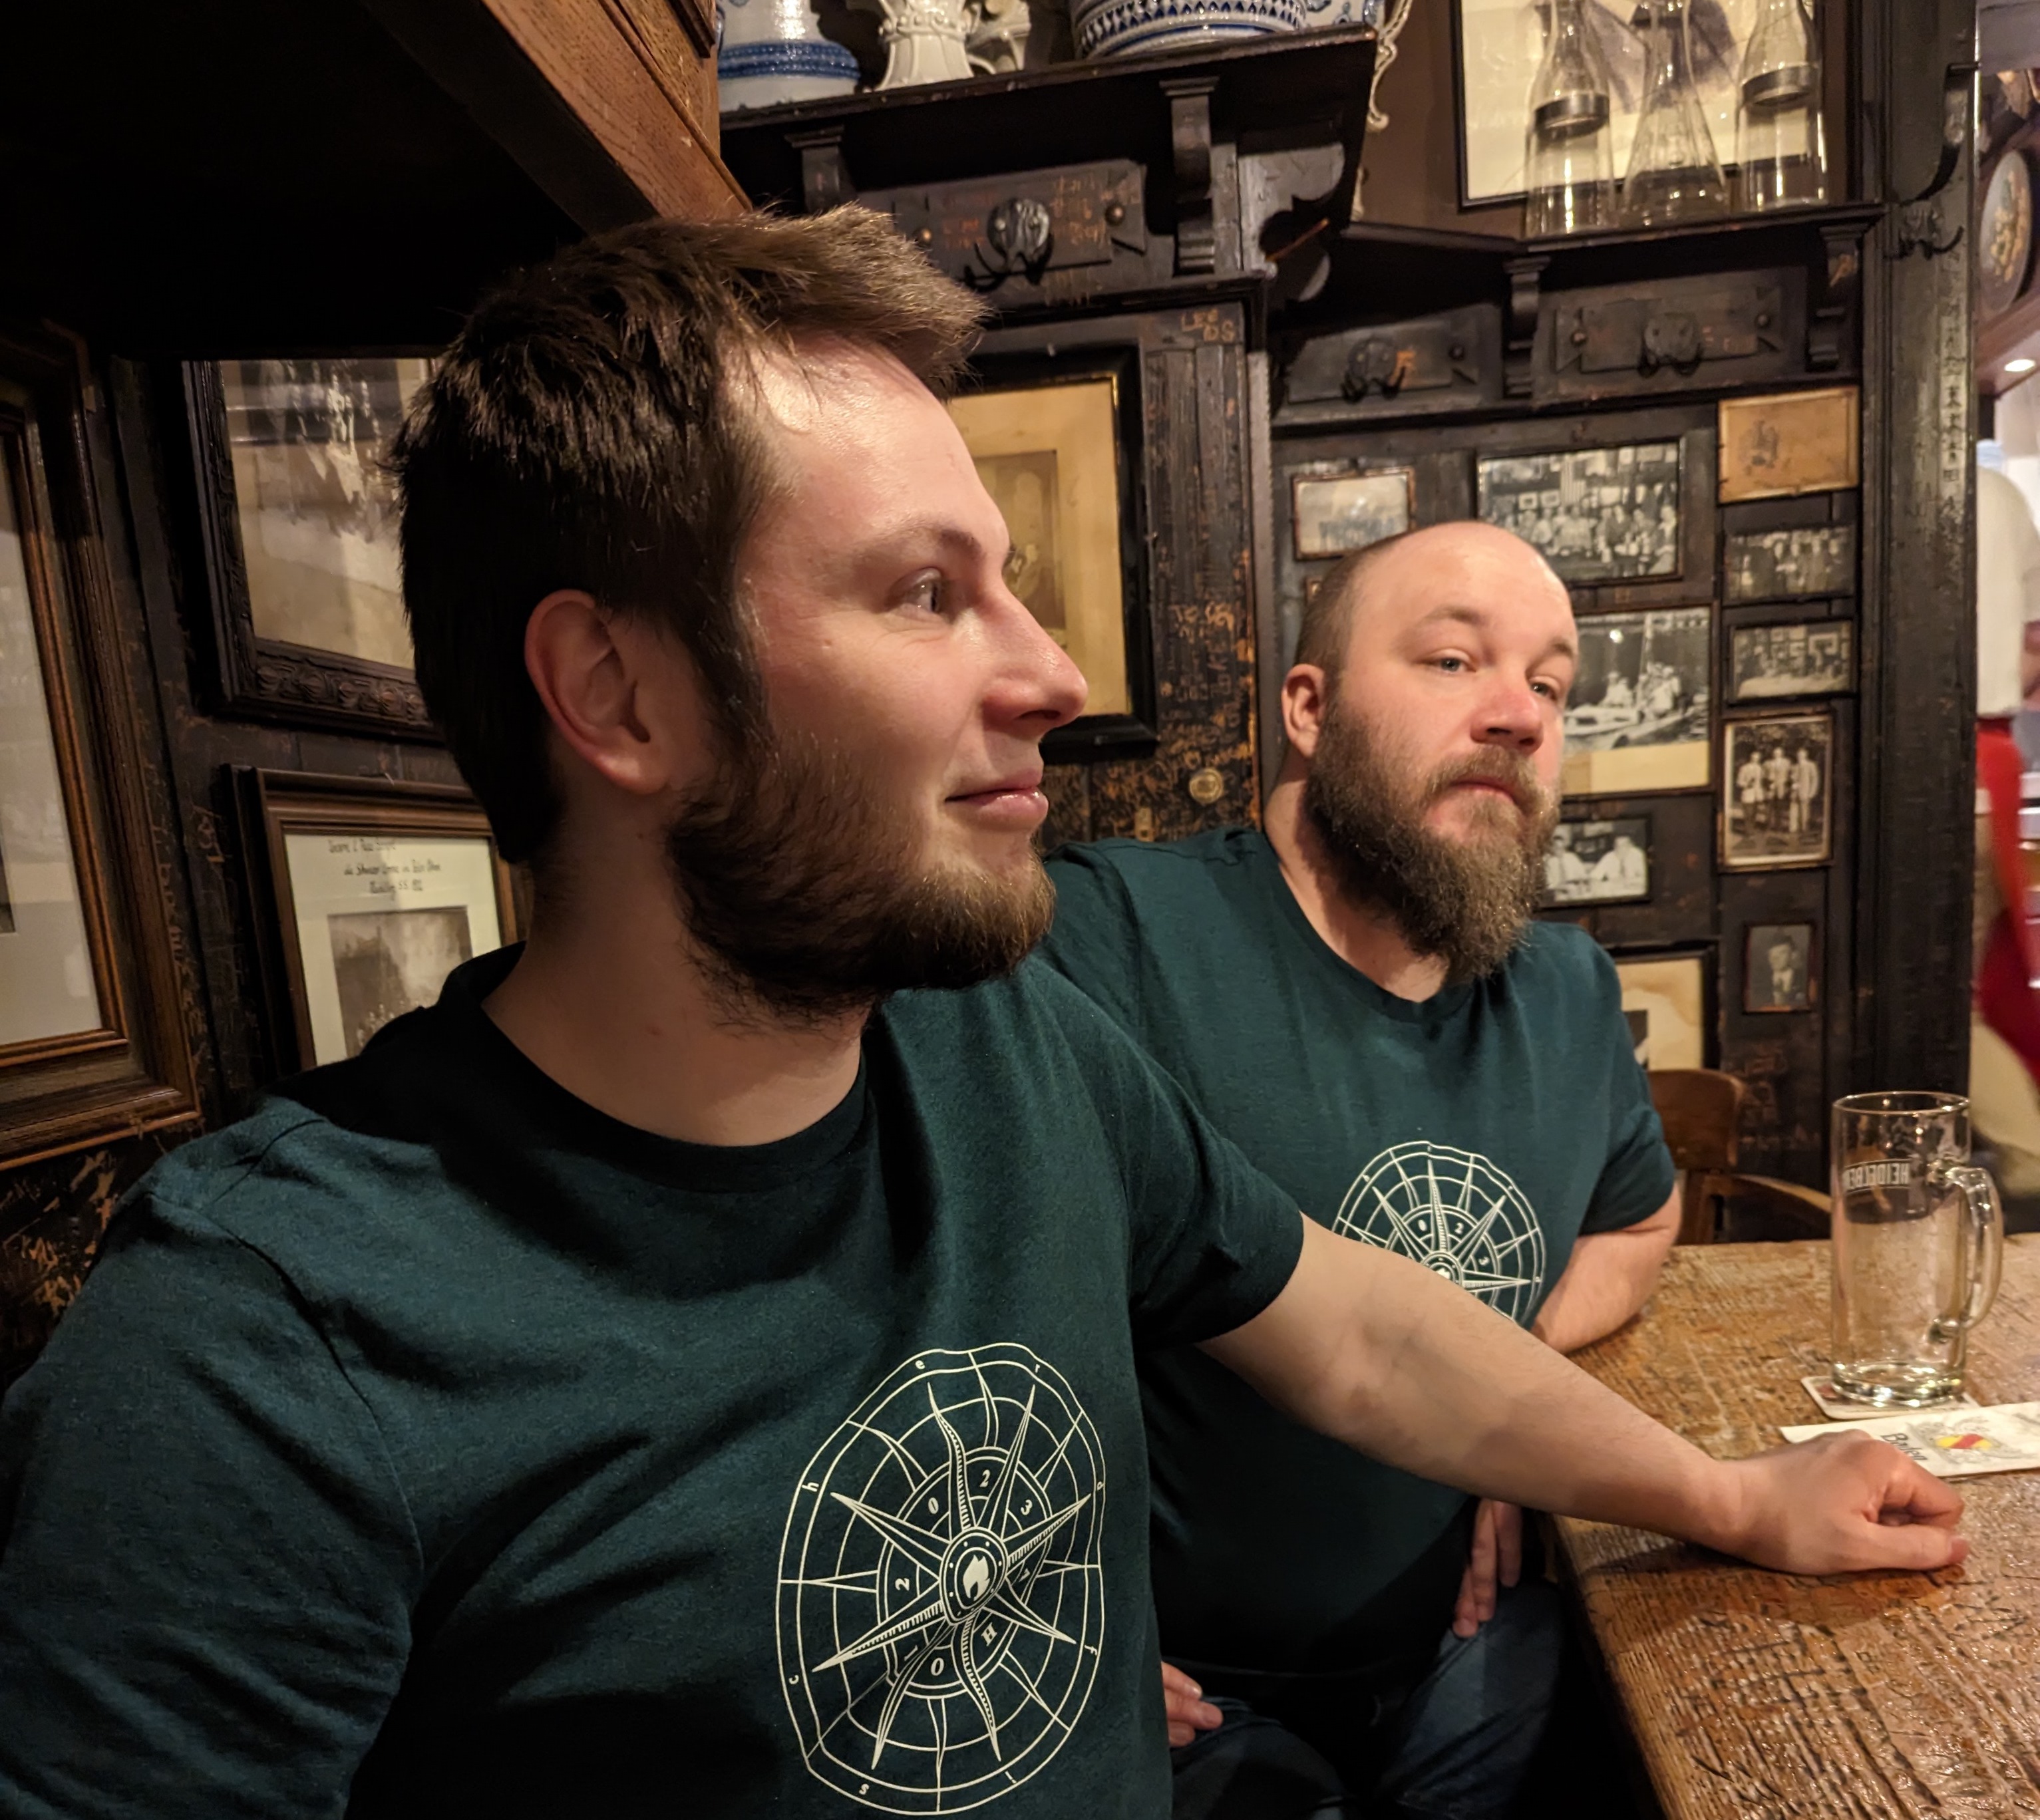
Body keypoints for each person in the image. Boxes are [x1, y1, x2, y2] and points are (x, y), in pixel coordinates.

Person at [0, 213, 1965, 1820]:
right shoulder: (249, 1354)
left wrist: (1730, 1497)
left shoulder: (1002, 1047)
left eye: (1005, 587)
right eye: (928, 597)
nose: (1050, 671)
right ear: (613, 696)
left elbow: (1361, 1333)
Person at [1035, 523, 1683, 1819]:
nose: (1517, 716)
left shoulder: (1566, 989)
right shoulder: (1108, 939)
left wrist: (1517, 1394)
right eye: (1453, 659)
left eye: (1553, 685)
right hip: (1184, 1700)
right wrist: (1047, 1629)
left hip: (1475, 1648)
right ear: (1310, 708)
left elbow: (1642, 1220)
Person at [1590, 827, 1647, 897]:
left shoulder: (1638, 855)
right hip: (1615, 895)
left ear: (1631, 845)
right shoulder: (1609, 857)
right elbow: (1594, 877)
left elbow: (1647, 878)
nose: (1620, 849)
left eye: (1624, 845)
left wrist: (1629, 881)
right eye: (1617, 846)